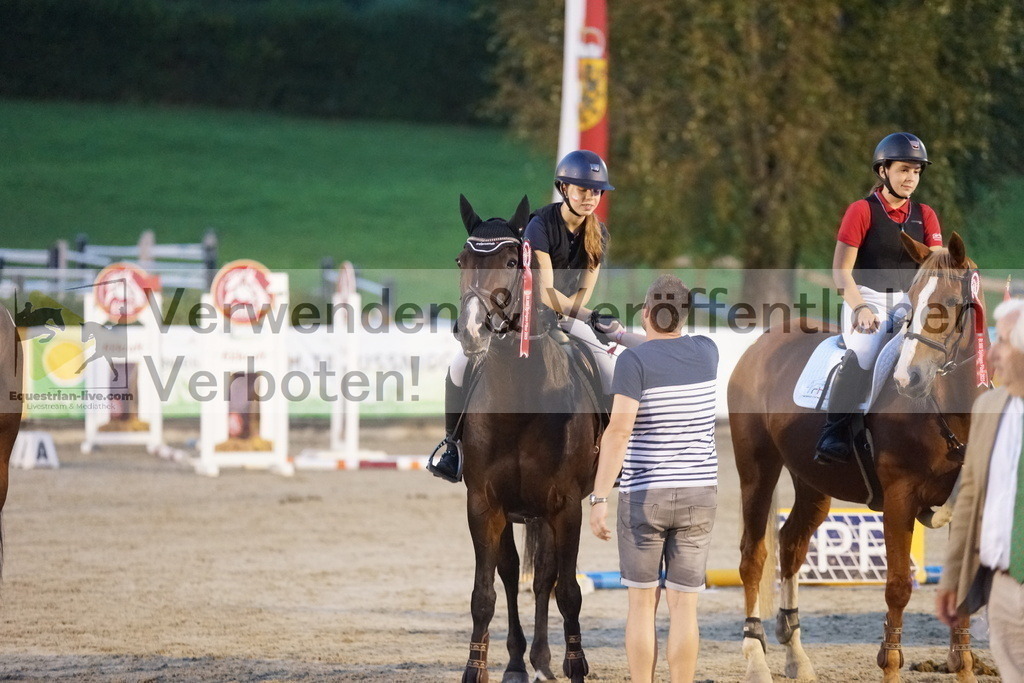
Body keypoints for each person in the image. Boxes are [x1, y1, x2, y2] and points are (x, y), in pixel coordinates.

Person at [429, 149, 628, 483]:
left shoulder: (599, 232)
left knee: (609, 368)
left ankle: (608, 453)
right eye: (582, 190)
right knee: (459, 366)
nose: (590, 197)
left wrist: (580, 315)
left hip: (568, 314)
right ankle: (452, 447)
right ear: (564, 189)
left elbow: (585, 288)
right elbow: (546, 290)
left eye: (596, 191)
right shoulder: (540, 226)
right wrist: (588, 314)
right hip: (529, 315)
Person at [589, 274, 718, 683]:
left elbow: (619, 432)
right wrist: (627, 335)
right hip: (700, 493)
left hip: (647, 494)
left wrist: (598, 498)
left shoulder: (633, 363)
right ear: (683, 315)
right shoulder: (706, 351)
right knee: (684, 607)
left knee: (642, 606)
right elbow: (667, 347)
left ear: (646, 313)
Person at [815, 132, 944, 465]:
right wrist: (859, 308)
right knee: (866, 349)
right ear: (883, 170)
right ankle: (834, 432)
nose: (910, 178)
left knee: (934, 348)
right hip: (866, 299)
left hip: (908, 302)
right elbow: (841, 271)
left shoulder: (925, 215)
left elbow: (936, 262)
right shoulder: (862, 211)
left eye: (916, 171)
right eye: (903, 170)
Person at [936, 298, 1024, 680]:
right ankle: (836, 430)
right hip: (1001, 589)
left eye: (1003, 342)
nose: (992, 351)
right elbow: (968, 497)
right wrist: (953, 580)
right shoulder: (987, 407)